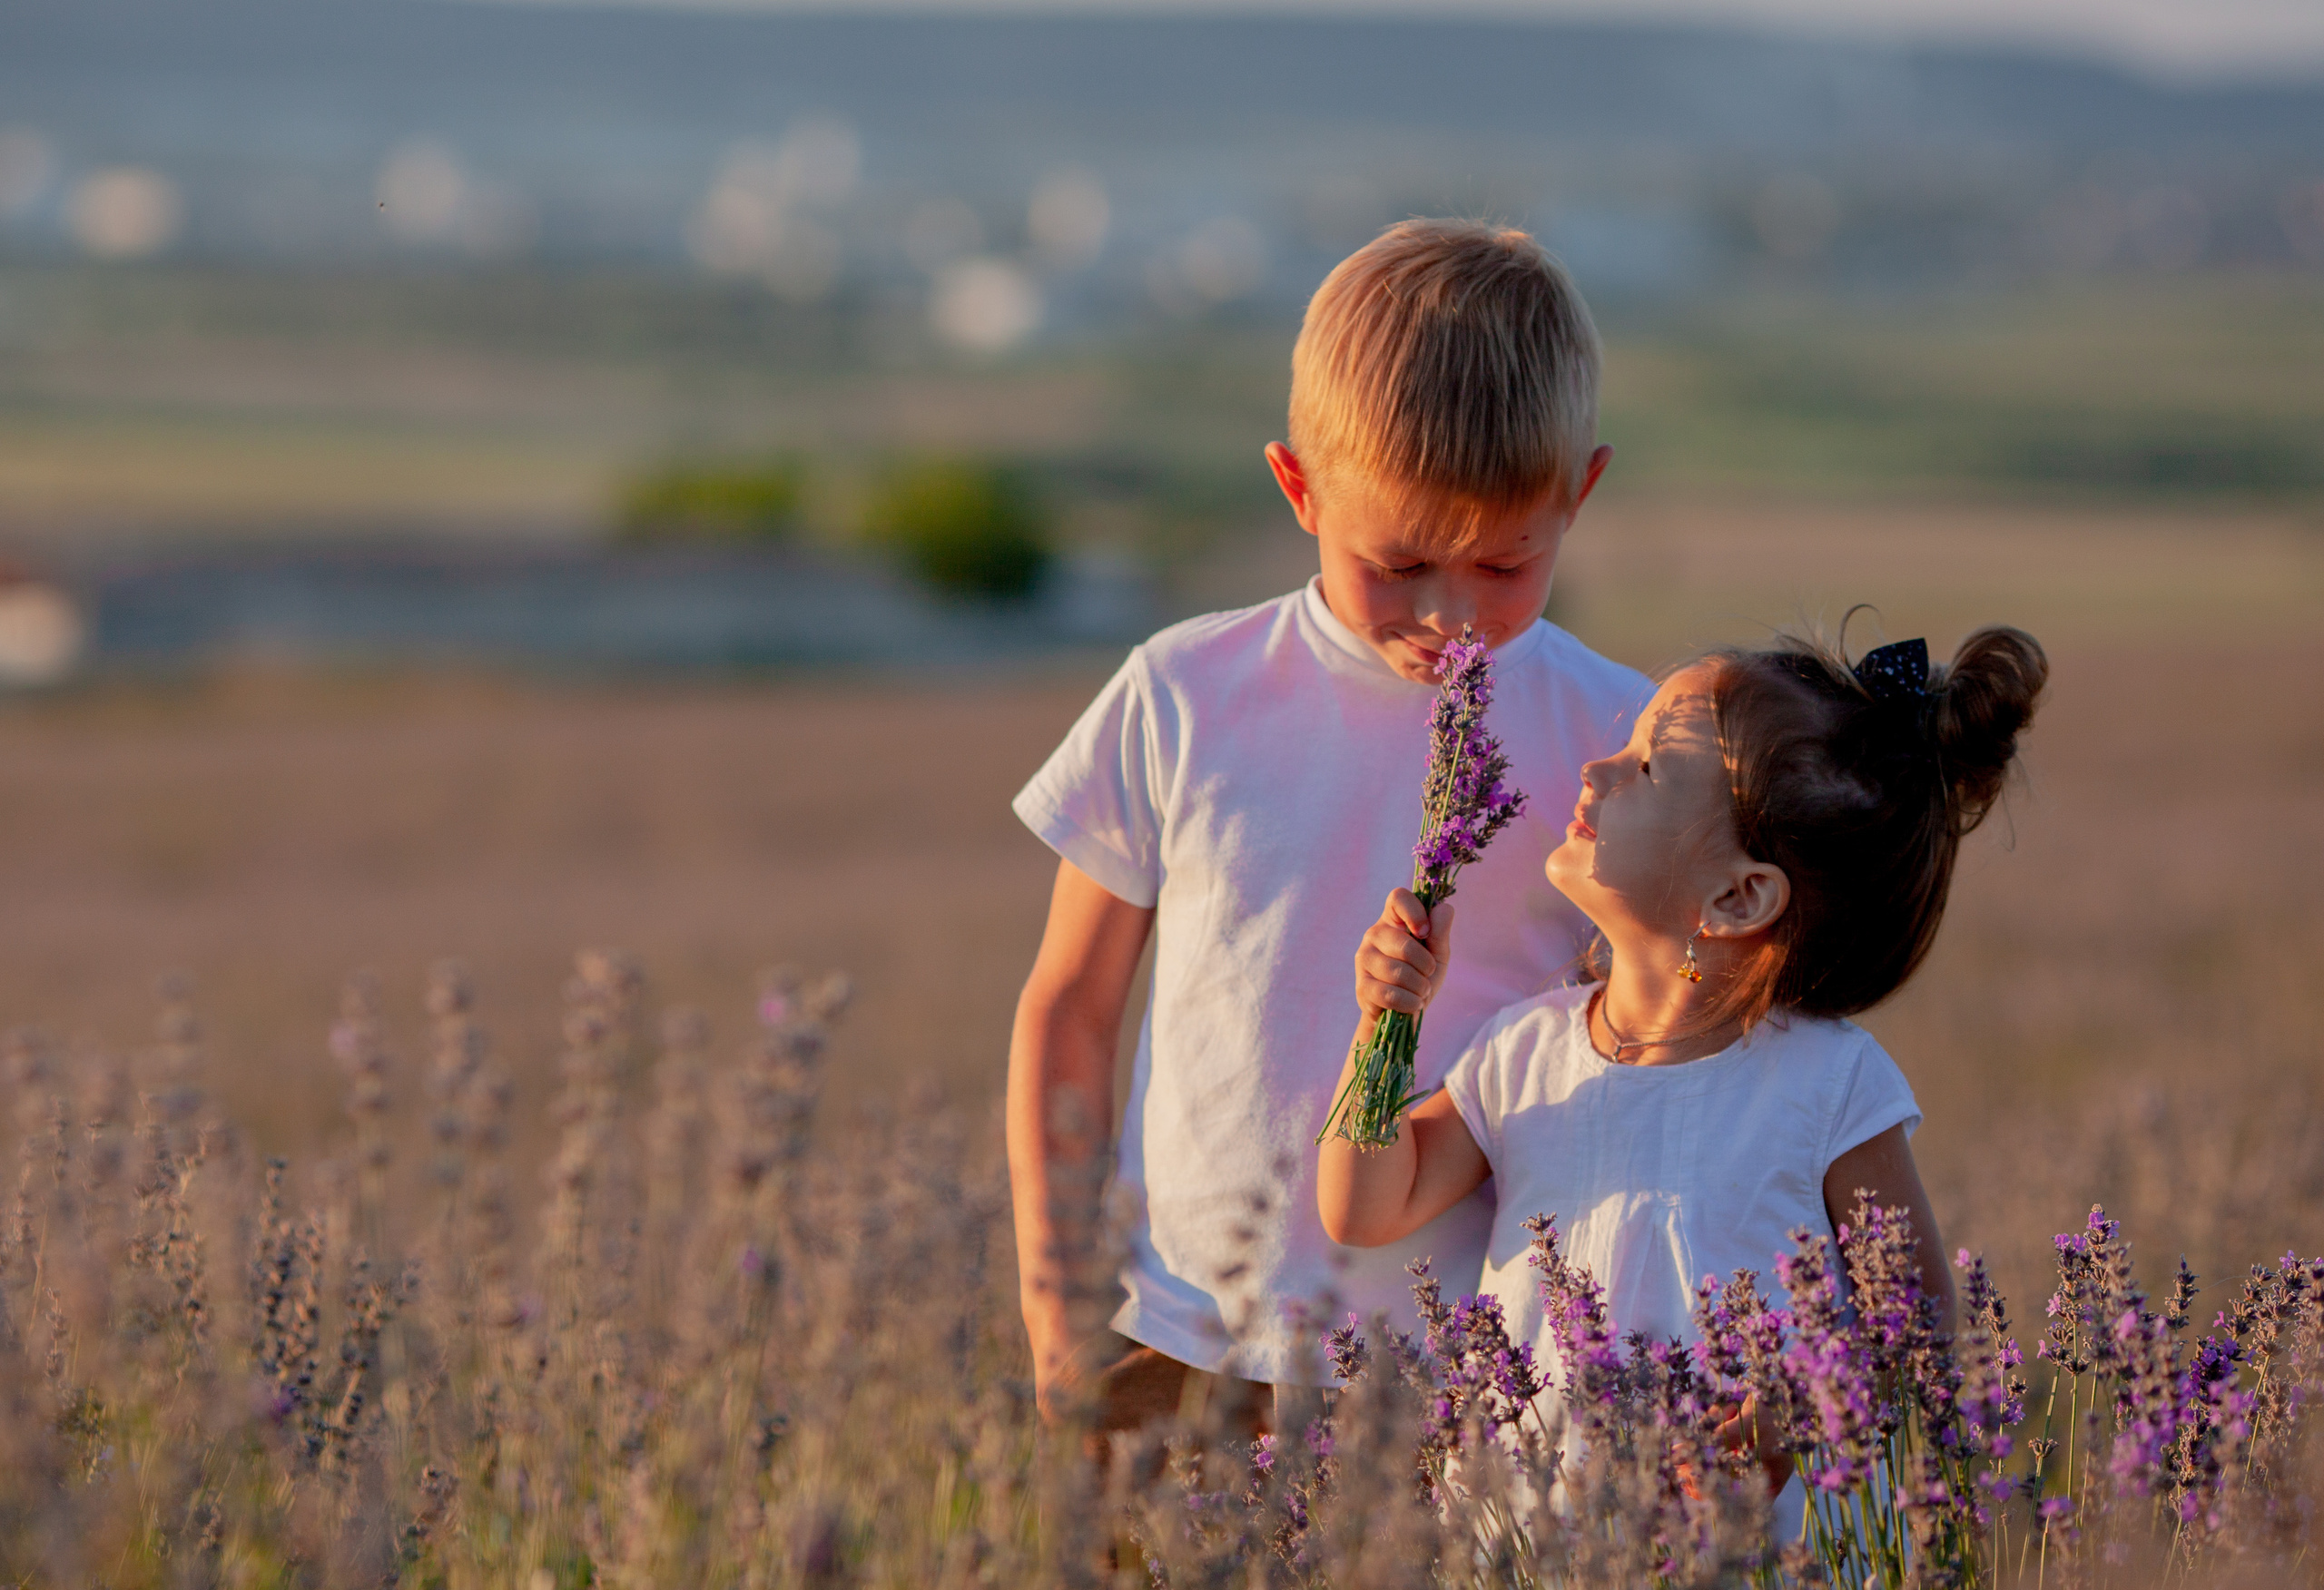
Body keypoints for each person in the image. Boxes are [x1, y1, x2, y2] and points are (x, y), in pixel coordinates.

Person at [1008, 220, 1649, 1447]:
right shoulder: (1184, 694)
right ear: (1299, 486)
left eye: (1508, 566)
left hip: (1482, 1367)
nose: (1450, 616)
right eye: (1398, 560)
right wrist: (1058, 1312)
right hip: (1180, 1337)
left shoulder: (1623, 737)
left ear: (1581, 494)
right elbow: (1071, 1008)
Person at [1318, 623, 2048, 1504]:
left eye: (1648, 767)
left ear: (1740, 896)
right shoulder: (1524, 1052)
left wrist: (1803, 1408)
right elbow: (1362, 1205)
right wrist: (1383, 1020)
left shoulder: (1827, 1085)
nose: (1597, 772)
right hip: (1537, 1542)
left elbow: (1923, 1324)